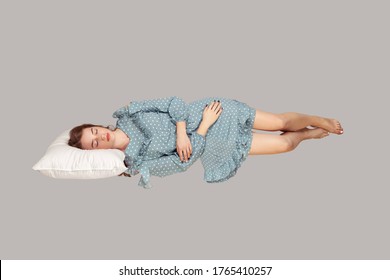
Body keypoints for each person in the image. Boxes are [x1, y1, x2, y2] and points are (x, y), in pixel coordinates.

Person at [68, 97, 343, 188]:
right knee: (285, 145)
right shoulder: (137, 162)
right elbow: (181, 162)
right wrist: (202, 129)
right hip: (210, 140)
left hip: (206, 113)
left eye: (94, 131)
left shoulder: (130, 112)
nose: (99, 137)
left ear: (97, 125)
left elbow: (173, 102)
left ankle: (316, 118)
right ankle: (306, 134)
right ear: (98, 151)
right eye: (94, 143)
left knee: (281, 123)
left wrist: (181, 130)